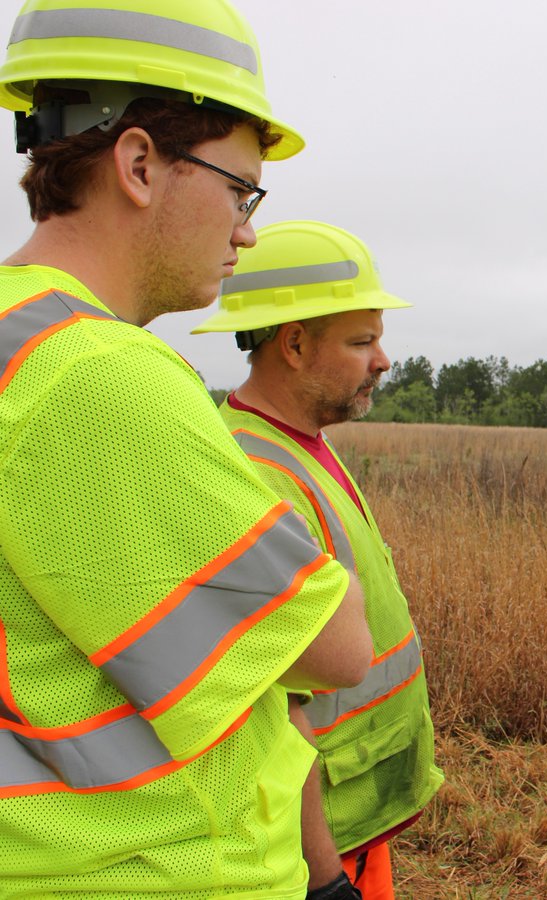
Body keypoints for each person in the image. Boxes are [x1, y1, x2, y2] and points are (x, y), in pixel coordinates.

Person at [0, 2, 375, 897]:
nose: (247, 229)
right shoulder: (94, 373)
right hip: (160, 868)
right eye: (241, 189)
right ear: (138, 165)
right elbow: (338, 644)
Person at [193, 220, 444, 900]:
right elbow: (278, 704)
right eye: (362, 341)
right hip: (318, 844)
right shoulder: (256, 476)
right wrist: (324, 876)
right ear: (295, 343)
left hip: (356, 820)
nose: (384, 360)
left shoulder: (301, 443)